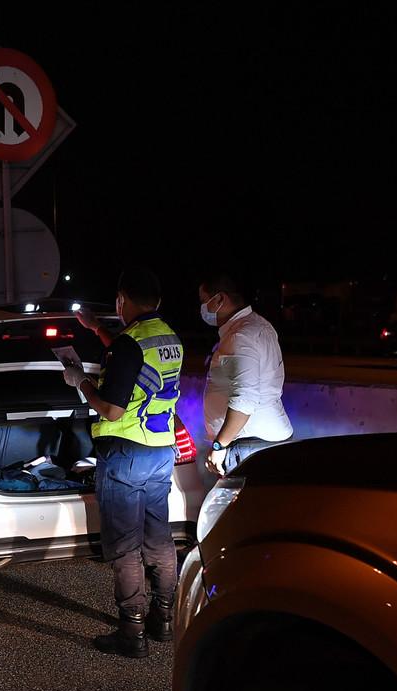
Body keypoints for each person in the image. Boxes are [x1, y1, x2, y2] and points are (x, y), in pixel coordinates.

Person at [67, 269, 184, 657]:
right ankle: (162, 620)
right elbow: (134, 359)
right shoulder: (169, 337)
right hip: (161, 450)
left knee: (124, 546)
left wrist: (79, 382)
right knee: (159, 539)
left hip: (127, 453)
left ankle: (131, 633)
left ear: (122, 300)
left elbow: (112, 411)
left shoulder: (129, 344)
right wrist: (97, 328)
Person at [198, 274, 292, 475]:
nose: (202, 308)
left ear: (220, 300)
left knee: (240, 506)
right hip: (260, 441)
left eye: (204, 301)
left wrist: (219, 445)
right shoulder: (260, 326)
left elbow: (245, 399)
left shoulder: (240, 336)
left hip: (248, 446)